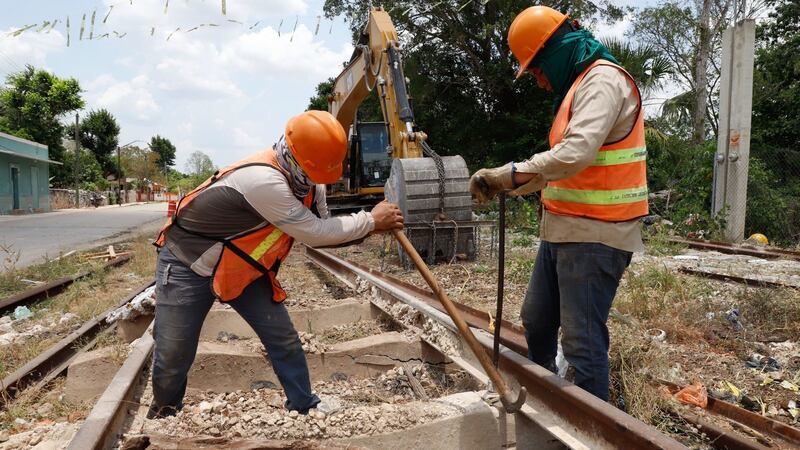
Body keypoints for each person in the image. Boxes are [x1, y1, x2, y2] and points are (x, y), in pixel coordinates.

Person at [148, 110, 404, 418]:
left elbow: (326, 232)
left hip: (241, 267)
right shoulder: (263, 181)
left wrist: (371, 227)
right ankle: (165, 413)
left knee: (282, 337)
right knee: (174, 350)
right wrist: (370, 220)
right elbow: (314, 232)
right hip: (187, 264)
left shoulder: (309, 182)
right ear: (297, 158)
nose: (318, 181)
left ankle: (303, 406)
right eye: (315, 173)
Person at [469, 6, 647, 401]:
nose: (539, 82)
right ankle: (548, 400)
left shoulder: (603, 81)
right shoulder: (577, 88)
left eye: (537, 70)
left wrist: (509, 174)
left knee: (582, 342)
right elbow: (557, 170)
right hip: (564, 229)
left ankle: (590, 425)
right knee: (536, 321)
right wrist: (506, 185)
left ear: (554, 52)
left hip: (597, 234)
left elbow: (574, 154)